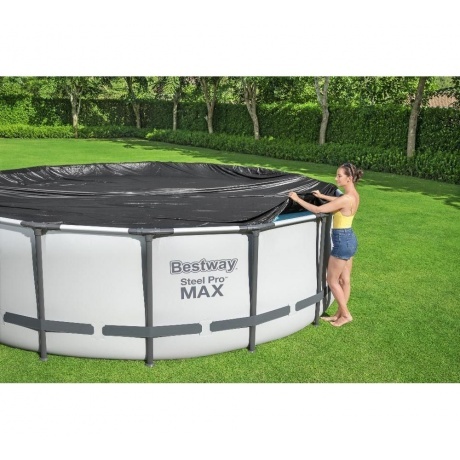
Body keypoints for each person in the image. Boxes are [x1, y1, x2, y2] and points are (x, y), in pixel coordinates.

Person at [288, 163, 363, 327]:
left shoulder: (345, 198)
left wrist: (297, 199)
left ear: (349, 178)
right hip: (350, 238)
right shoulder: (353, 196)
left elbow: (318, 210)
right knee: (345, 280)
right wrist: (322, 195)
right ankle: (339, 314)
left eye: (339, 176)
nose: (336, 178)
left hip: (342, 241)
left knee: (332, 280)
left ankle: (346, 315)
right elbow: (339, 201)